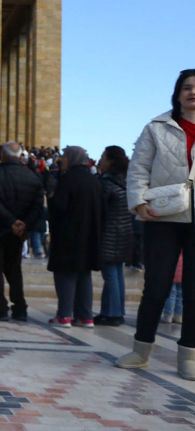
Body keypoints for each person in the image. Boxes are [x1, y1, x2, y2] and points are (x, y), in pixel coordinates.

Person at [117, 70, 195, 380]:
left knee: (194, 290)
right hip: (163, 215)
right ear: (177, 94)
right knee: (156, 286)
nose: (193, 92)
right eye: (187, 87)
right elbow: (138, 168)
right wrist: (139, 202)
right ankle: (141, 350)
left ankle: (189, 356)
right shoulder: (156, 128)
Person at [0, 142, 44, 322]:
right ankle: (20, 308)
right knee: (14, 270)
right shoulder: (33, 178)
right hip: (18, 233)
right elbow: (37, 206)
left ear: (3, 155)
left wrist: (11, 222)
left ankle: (0, 308)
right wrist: (23, 224)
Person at [46, 146, 103, 328]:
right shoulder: (94, 180)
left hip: (68, 236)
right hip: (89, 235)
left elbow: (60, 207)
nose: (61, 160)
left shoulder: (68, 179)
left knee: (65, 274)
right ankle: (85, 316)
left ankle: (64, 315)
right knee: (84, 274)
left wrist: (51, 198)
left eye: (64, 156)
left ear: (71, 158)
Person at [94, 146, 132, 326]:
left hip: (109, 234)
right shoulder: (126, 181)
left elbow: (99, 209)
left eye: (103, 157)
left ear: (110, 161)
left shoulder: (107, 183)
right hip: (124, 233)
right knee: (117, 274)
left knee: (110, 274)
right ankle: (115, 311)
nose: (100, 160)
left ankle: (112, 314)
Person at [162, 253, 184, 324]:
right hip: (182, 276)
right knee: (180, 296)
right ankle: (179, 316)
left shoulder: (172, 251)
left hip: (172, 275)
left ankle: (168, 315)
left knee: (170, 295)